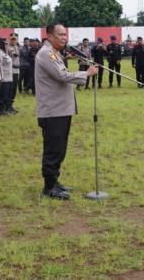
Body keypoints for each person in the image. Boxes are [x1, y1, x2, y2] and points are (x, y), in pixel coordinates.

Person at [35, 24, 98, 200]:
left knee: (60, 148)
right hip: (52, 111)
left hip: (60, 109)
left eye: (65, 34)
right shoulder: (46, 54)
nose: (64, 37)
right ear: (49, 36)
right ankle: (49, 187)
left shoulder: (54, 53)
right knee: (53, 149)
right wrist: (86, 74)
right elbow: (62, 76)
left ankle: (54, 181)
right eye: (60, 34)